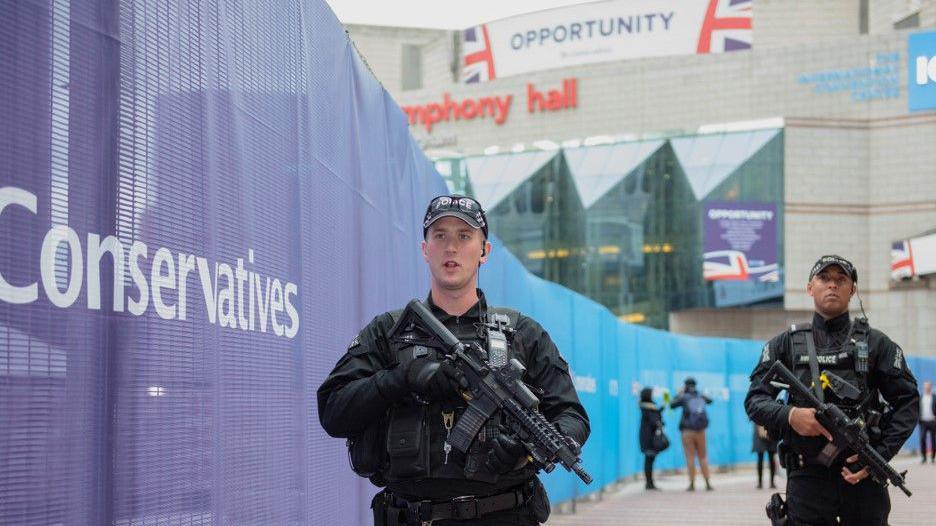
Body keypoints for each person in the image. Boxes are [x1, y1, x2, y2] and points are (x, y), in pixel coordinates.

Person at [317, 195, 590, 526]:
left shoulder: (523, 334)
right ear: (425, 249)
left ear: (484, 251)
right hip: (411, 516)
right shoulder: (388, 332)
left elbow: (572, 416)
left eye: (464, 236)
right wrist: (404, 378)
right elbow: (333, 410)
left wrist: (525, 449)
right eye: (440, 235)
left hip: (504, 514)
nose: (451, 247)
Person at [745, 255, 920, 526]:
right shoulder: (785, 344)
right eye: (824, 278)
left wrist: (880, 455)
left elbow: (908, 402)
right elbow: (755, 400)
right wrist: (791, 415)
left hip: (863, 478)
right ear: (809, 287)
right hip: (807, 480)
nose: (832, 285)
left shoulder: (876, 344)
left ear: (852, 289)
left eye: (841, 280)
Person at [670, 377, 713, 491]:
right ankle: (707, 483)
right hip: (701, 431)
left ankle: (692, 484)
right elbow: (710, 400)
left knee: (690, 457)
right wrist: (701, 394)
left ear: (685, 386)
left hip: (687, 431)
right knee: (703, 457)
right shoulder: (699, 395)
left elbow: (672, 405)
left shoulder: (684, 397)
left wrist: (679, 394)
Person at [638, 387, 667, 490]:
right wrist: (660, 421)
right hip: (648, 438)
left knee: (650, 460)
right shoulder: (647, 407)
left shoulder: (648, 406)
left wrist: (661, 409)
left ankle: (650, 482)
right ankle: (649, 483)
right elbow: (654, 420)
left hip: (648, 437)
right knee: (649, 460)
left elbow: (655, 415)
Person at [752, 423, 778, 489]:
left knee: (771, 459)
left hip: (770, 433)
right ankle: (760, 483)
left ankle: (771, 483)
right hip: (761, 433)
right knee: (761, 459)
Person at [921, 381, 936, 463]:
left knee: (933, 440)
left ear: (930, 387)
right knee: (923, 439)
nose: (927, 388)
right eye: (925, 386)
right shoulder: (921, 397)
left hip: (932, 421)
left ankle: (933, 457)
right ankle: (924, 458)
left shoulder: (934, 397)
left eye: (928, 386)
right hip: (923, 421)